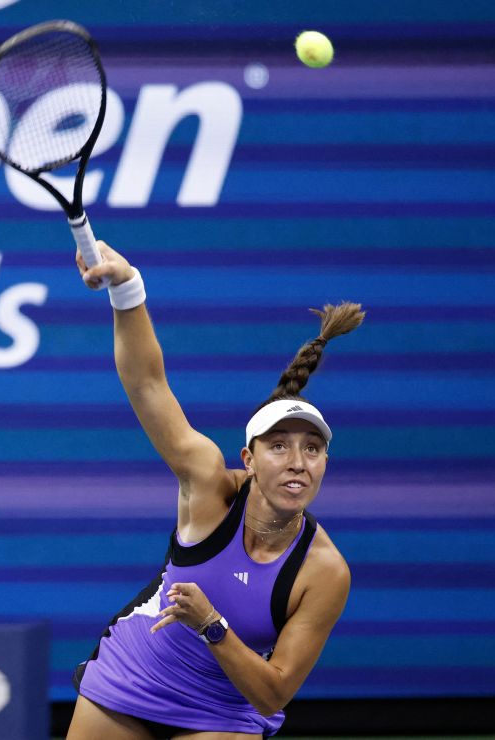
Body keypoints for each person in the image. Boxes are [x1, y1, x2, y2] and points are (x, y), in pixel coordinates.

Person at [67, 242, 365, 740]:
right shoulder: (207, 485)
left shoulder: (324, 571)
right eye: (279, 448)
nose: (297, 463)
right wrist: (126, 287)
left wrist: (211, 624)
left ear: (325, 463)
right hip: (134, 673)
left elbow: (272, 693)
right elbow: (147, 385)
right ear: (248, 460)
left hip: (225, 707)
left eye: (312, 450)